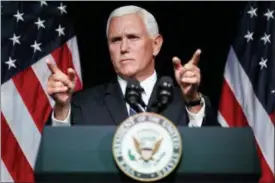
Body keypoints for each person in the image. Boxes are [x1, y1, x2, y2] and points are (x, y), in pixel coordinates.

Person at [46, 5, 220, 127]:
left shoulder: (190, 102)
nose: (123, 48)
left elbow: (212, 156)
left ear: (156, 44)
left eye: (133, 37)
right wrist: (61, 108)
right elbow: (58, 159)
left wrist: (193, 102)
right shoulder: (79, 105)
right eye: (115, 40)